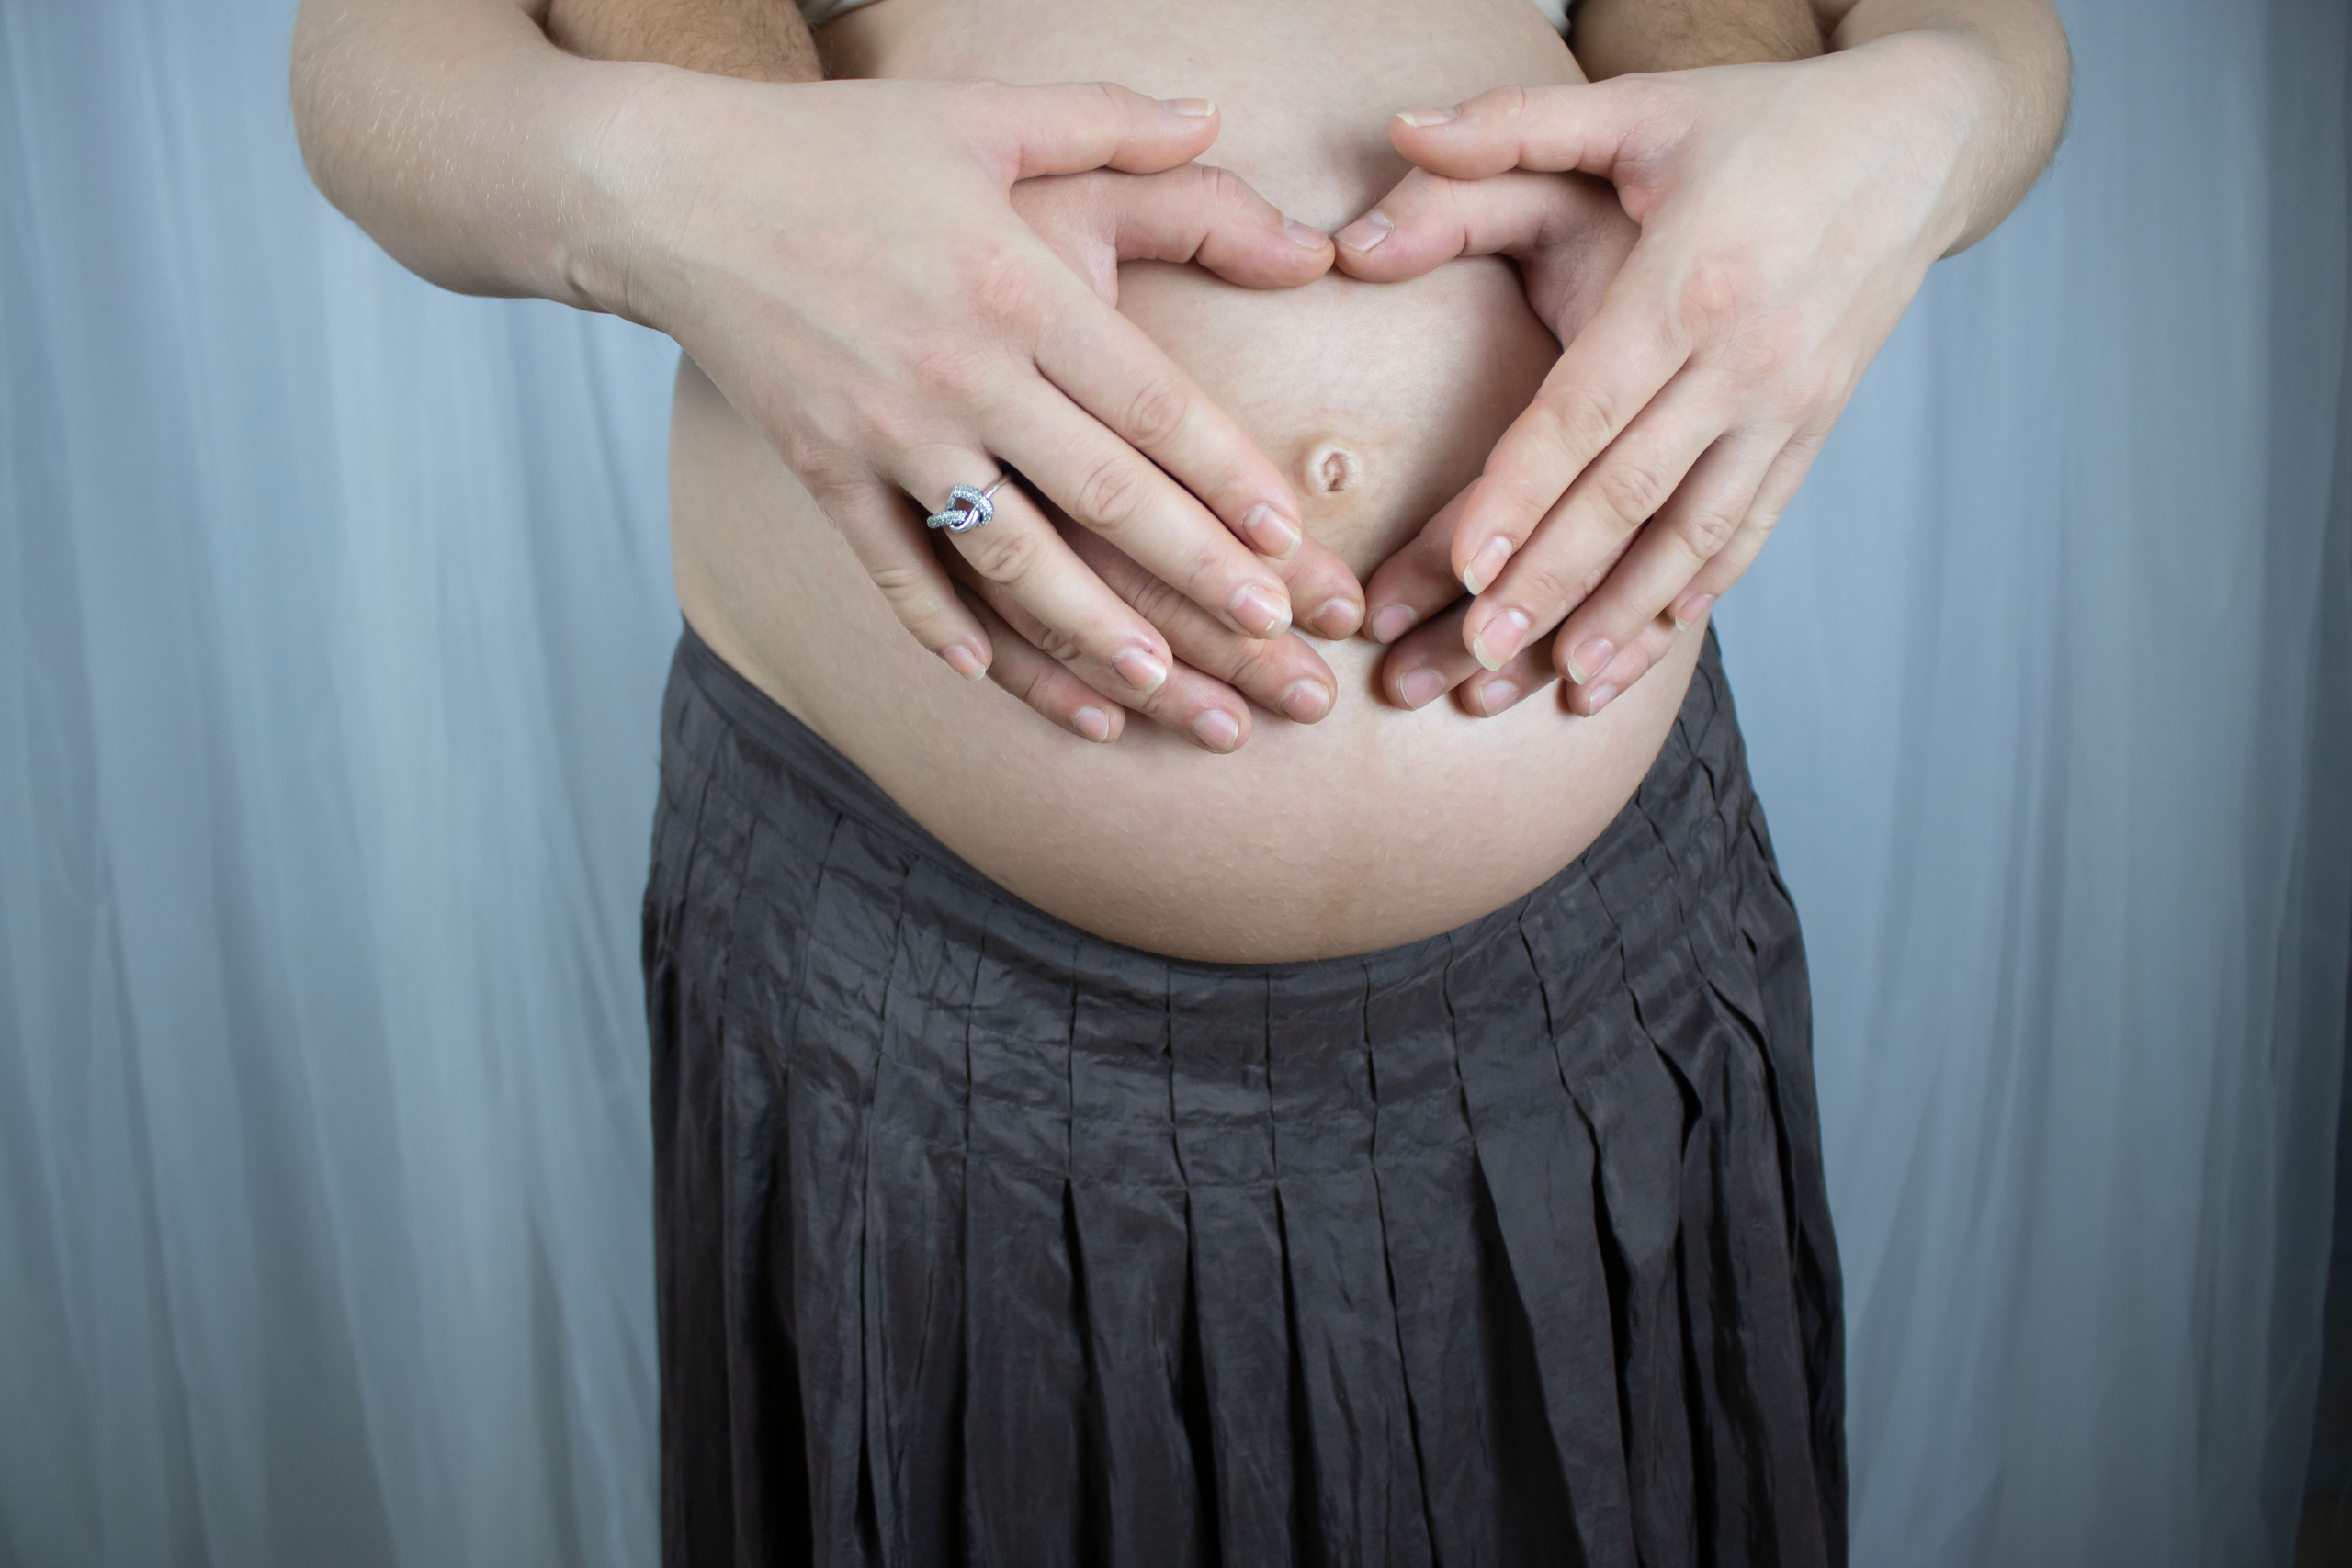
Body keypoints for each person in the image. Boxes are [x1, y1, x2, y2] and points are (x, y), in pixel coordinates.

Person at [288, 0, 2068, 1562]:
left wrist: (1907, 133)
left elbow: (1983, 39)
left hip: (1596, 987)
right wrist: (677, 192)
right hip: (921, 1000)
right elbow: (371, 59)